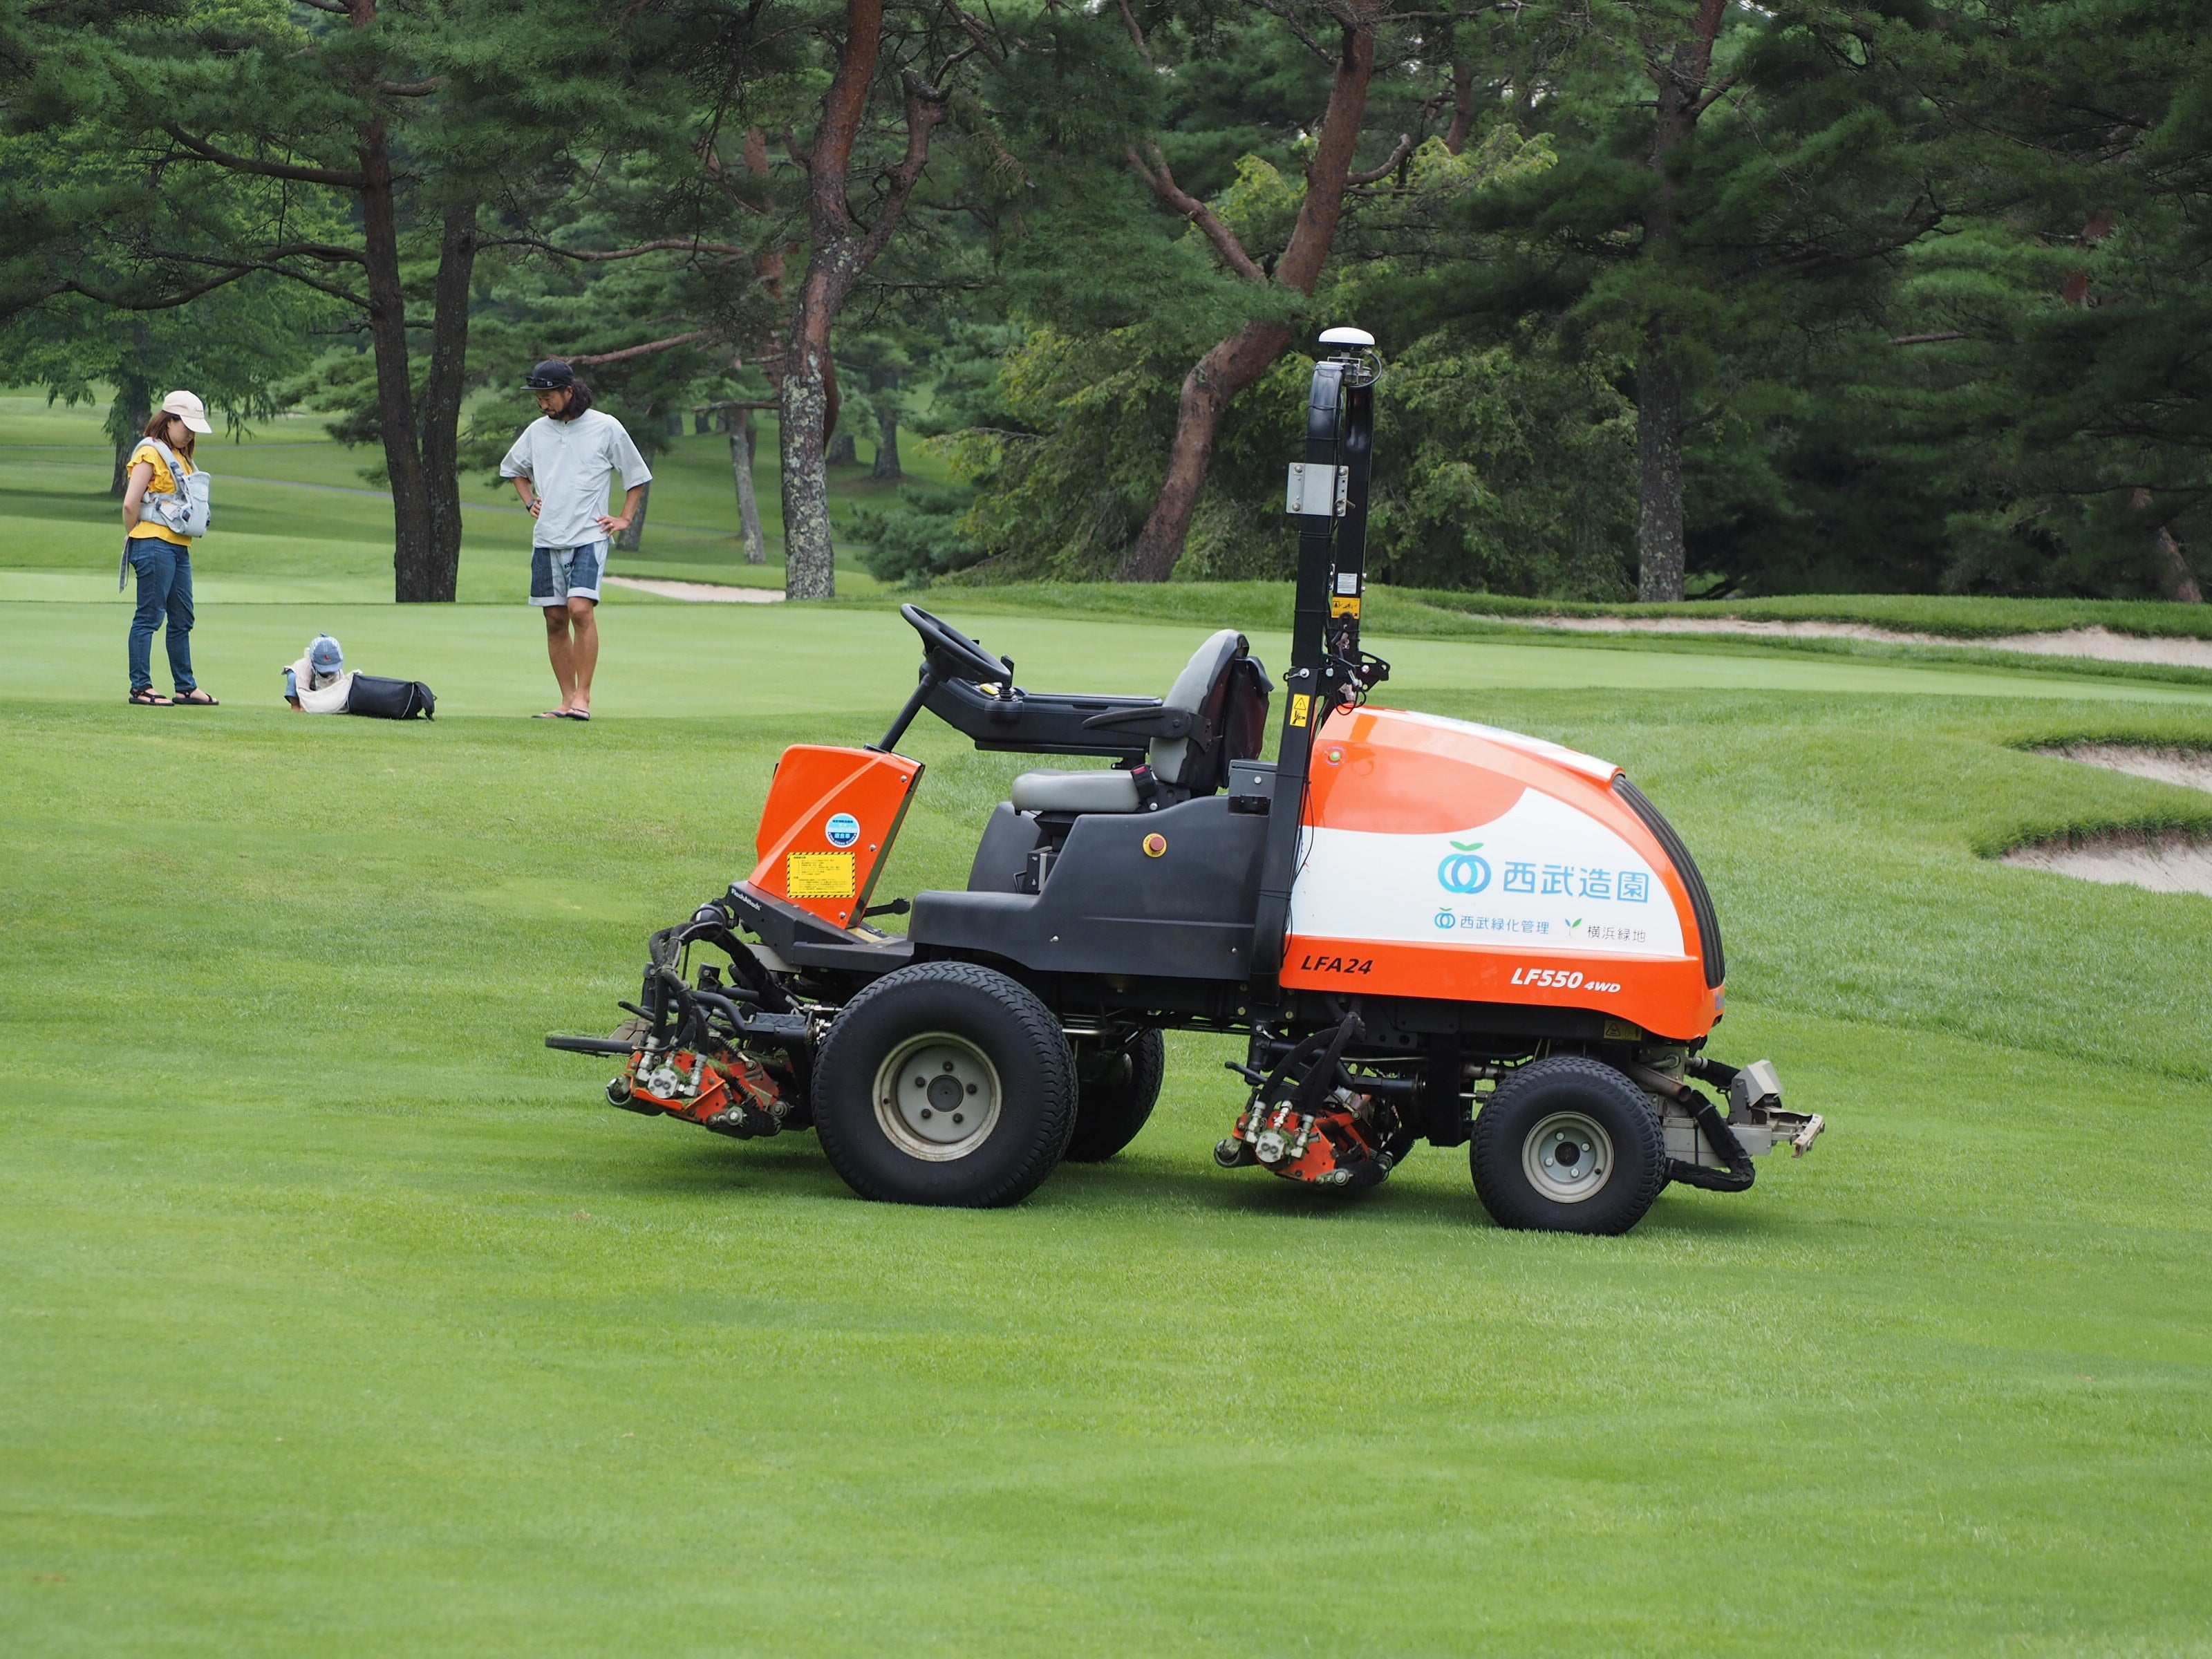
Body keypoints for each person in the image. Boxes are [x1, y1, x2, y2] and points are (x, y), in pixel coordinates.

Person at [498, 360, 650, 721]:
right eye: (539, 397)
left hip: (589, 534)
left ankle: (584, 696)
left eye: (548, 396)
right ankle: (566, 700)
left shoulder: (605, 427)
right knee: (554, 618)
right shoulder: (537, 431)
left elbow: (636, 475)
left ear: (569, 392)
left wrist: (625, 517)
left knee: (580, 609)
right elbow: (514, 469)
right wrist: (529, 500)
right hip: (548, 536)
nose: (543, 404)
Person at [121, 391, 217, 706]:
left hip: (178, 547)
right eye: (185, 425)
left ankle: (185, 687)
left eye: (193, 427)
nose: (189, 432)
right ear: (169, 420)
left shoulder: (184, 458)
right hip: (152, 543)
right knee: (149, 616)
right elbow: (130, 502)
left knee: (182, 618)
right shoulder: (151, 452)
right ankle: (141, 688)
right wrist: (133, 534)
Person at [283, 634, 352, 712]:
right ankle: (295, 707)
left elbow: (338, 689)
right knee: (292, 678)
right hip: (302, 684)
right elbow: (302, 691)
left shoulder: (338, 671)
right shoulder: (303, 667)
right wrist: (304, 708)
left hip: (319, 686)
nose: (329, 671)